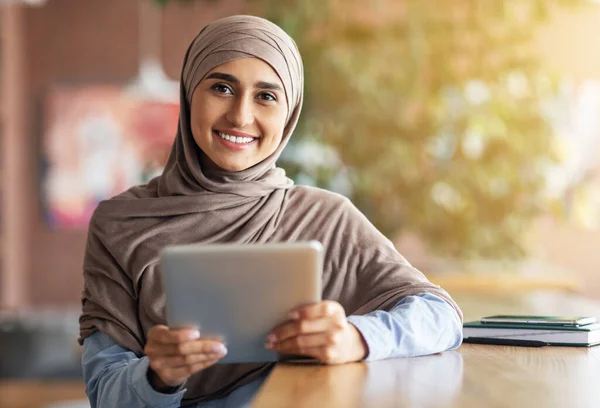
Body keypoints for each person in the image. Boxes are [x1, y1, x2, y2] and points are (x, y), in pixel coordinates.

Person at [79, 15, 463, 408]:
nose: (241, 116)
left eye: (266, 96)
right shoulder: (119, 224)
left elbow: (441, 318)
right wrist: (157, 375)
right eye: (222, 88)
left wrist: (357, 337)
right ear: (190, 94)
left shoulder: (326, 217)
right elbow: (105, 391)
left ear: (289, 111)